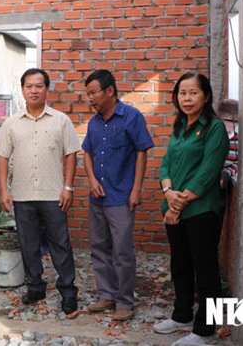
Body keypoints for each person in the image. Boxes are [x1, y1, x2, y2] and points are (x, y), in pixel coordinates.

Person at [0, 68, 80, 314]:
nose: (34, 90)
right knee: (28, 244)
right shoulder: (11, 123)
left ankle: (68, 291)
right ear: (22, 90)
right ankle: (35, 287)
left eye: (39, 86)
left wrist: (68, 187)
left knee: (60, 244)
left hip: (54, 195)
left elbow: (71, 154)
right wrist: (3, 190)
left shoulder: (61, 120)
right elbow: (1, 157)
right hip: (22, 194)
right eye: (29, 86)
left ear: (47, 89)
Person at [154, 73, 229, 346]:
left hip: (201, 211)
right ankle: (182, 315)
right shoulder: (179, 126)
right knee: (180, 265)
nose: (186, 98)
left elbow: (208, 173)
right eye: (182, 93)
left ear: (206, 96)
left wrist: (178, 203)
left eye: (193, 92)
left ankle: (205, 330)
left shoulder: (215, 128)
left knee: (205, 269)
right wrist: (168, 192)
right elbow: (165, 164)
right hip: (174, 206)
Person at [82, 70, 154, 321]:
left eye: (94, 92)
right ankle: (106, 295)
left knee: (122, 251)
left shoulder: (131, 117)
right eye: (87, 94)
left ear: (110, 91)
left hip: (122, 196)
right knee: (99, 247)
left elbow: (142, 151)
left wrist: (136, 189)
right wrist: (91, 180)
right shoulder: (93, 122)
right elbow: (87, 153)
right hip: (97, 198)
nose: (90, 98)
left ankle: (125, 301)